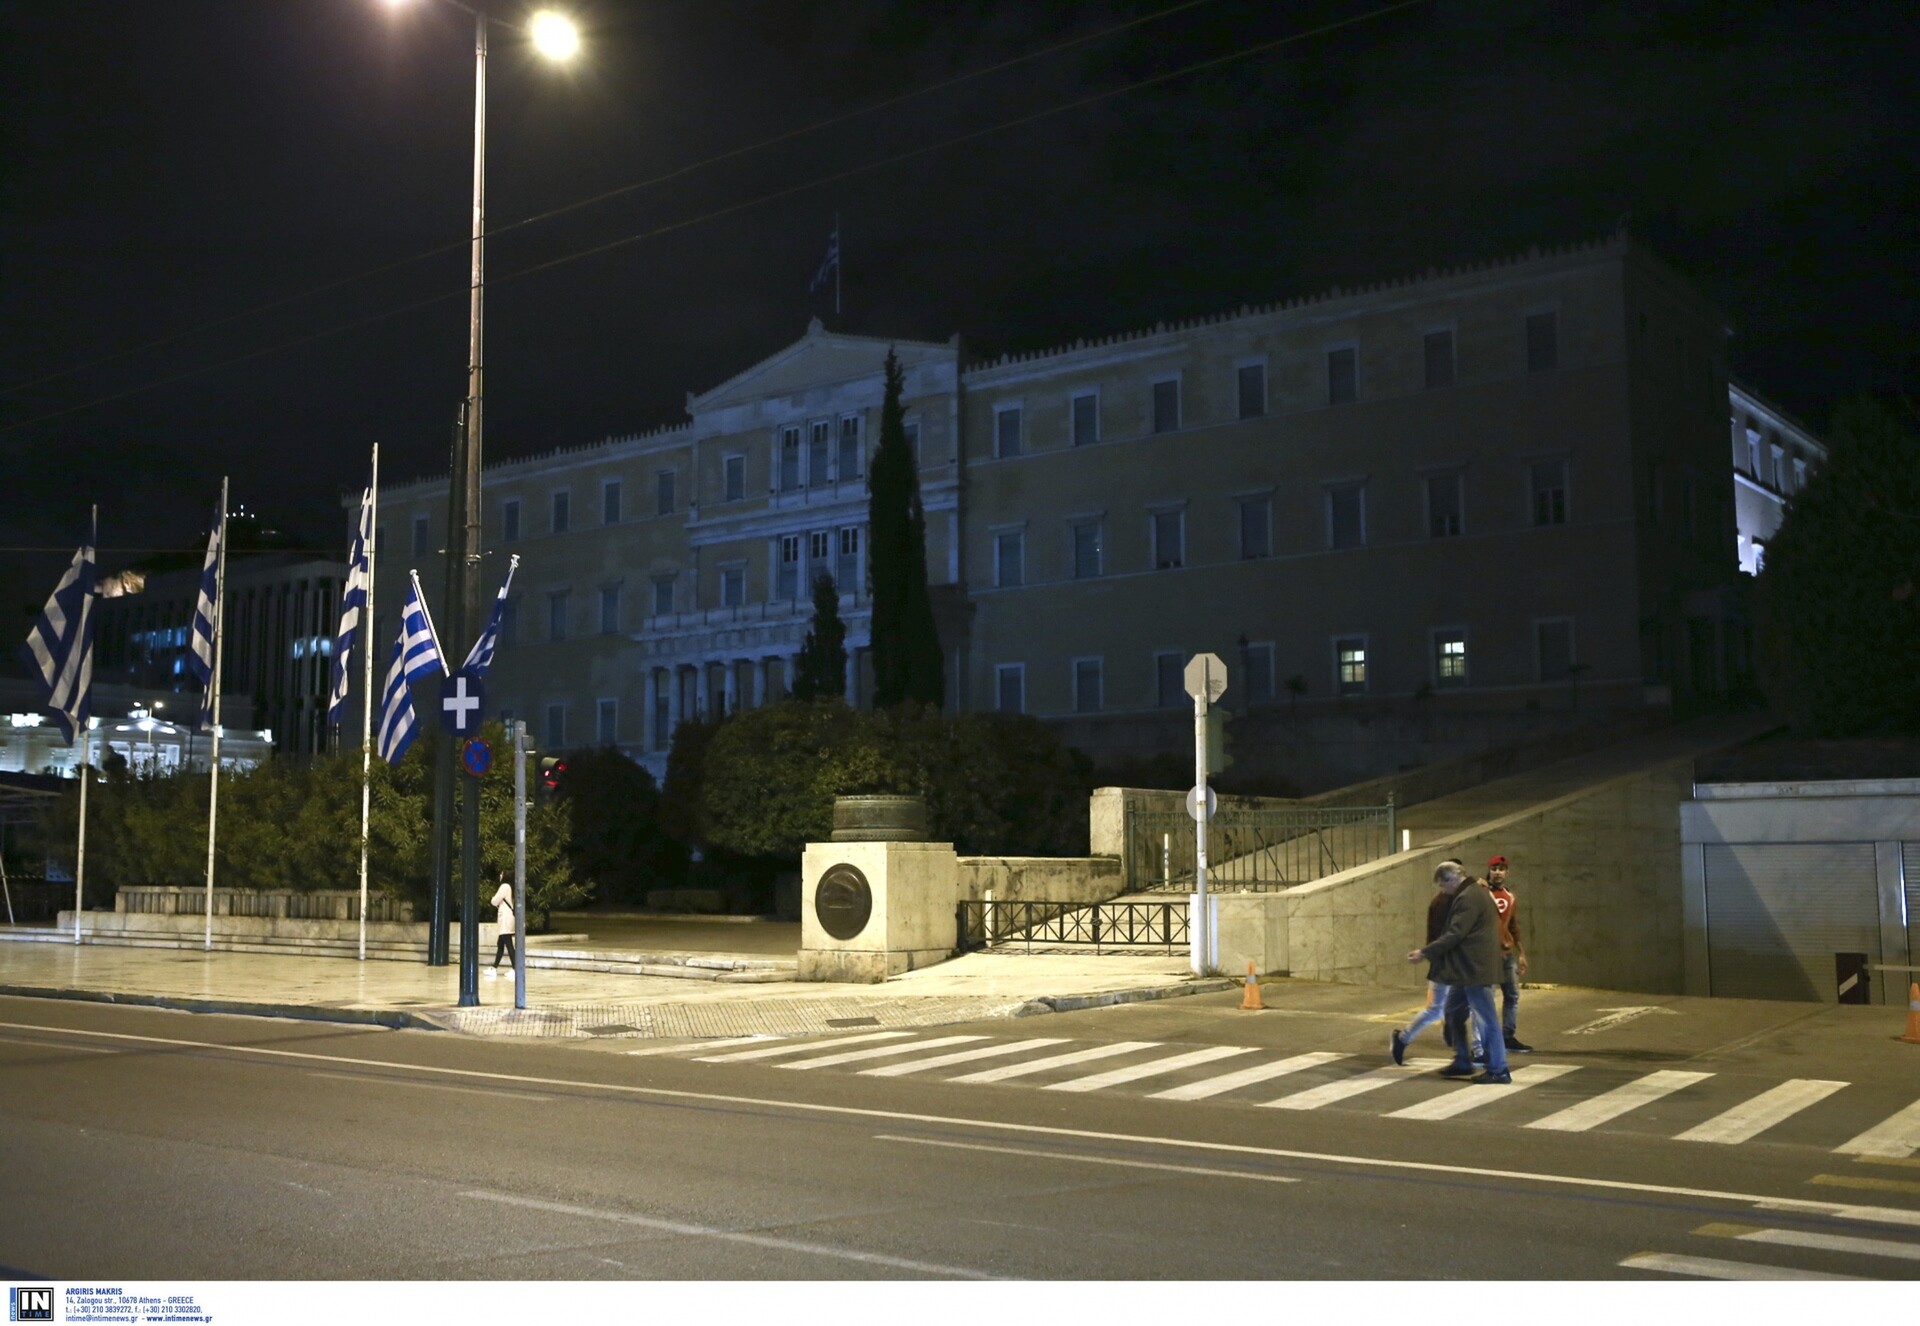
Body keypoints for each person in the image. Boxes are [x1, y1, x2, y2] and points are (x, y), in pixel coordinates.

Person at [1406, 860, 1510, 1084]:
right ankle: (1463, 1060)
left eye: (1443, 885)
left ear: (1452, 879)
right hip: (1468, 970)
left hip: (1475, 970)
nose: (1443, 891)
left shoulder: (1468, 897)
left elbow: (1455, 934)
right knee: (1453, 1010)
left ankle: (1499, 1069)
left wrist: (1425, 952)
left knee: (1487, 1019)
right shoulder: (1473, 892)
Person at [1390, 879, 1458, 1065]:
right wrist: (1431, 955)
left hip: (1453, 963)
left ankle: (1468, 1052)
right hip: (1445, 964)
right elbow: (1443, 937)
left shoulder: (1456, 900)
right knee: (1437, 1010)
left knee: (1459, 1008)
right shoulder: (1442, 903)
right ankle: (1403, 1038)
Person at [1486, 854, 1532, 1053]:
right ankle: (1487, 1040)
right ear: (1489, 871)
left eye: (1501, 869)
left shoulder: (1510, 897)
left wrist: (1521, 953)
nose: (1497, 872)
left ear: (1507, 872)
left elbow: (1513, 927)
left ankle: (1507, 1036)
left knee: (1512, 996)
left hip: (1507, 955)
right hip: (1488, 956)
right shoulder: (1482, 893)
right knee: (1486, 999)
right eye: (1494, 868)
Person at [490, 874, 516, 972]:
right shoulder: (511, 887)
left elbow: (494, 901)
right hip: (508, 918)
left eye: (501, 874)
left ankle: (515, 968)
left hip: (505, 918)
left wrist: (493, 899)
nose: (500, 875)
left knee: (508, 944)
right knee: (500, 943)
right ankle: (494, 967)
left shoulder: (504, 886)